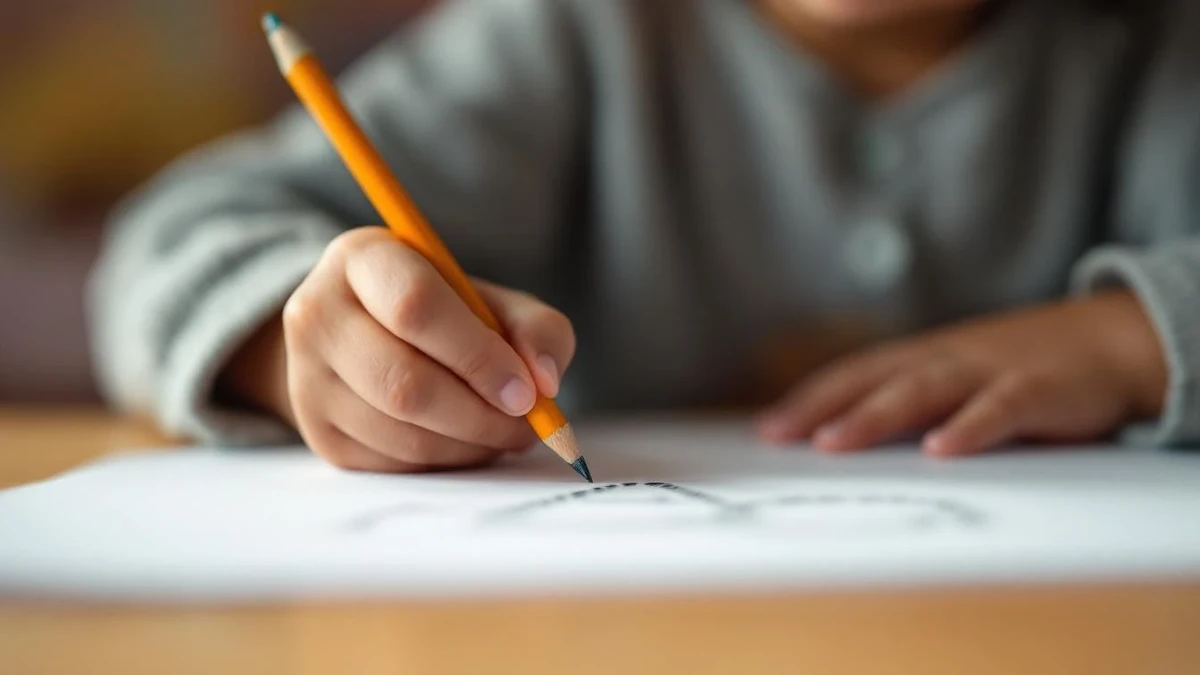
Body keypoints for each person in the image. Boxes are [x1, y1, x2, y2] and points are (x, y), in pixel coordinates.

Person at [90, 0, 1200, 473]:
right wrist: (289, 352)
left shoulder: (1156, 49)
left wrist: (1133, 342)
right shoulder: (572, 37)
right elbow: (172, 239)